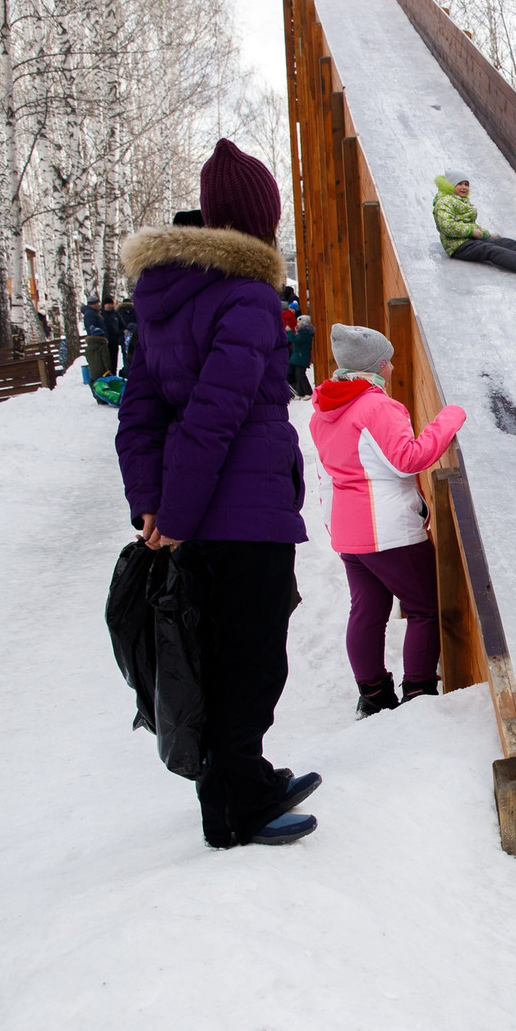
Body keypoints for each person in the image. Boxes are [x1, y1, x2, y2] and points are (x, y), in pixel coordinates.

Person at [115, 137, 320, 849]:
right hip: (243, 514)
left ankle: (247, 778)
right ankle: (236, 809)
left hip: (202, 516)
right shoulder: (250, 299)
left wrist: (153, 506)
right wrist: (172, 512)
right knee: (253, 658)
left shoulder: (167, 296)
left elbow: (139, 412)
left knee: (224, 653)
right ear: (258, 222)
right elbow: (215, 417)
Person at [308, 324, 467, 718]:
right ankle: (418, 691)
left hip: (348, 532)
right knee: (425, 607)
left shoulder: (324, 411)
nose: (394, 366)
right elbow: (407, 459)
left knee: (367, 610)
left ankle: (374, 694)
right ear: (378, 365)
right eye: (390, 360)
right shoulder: (377, 407)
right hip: (388, 531)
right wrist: (447, 420)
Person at [433, 172, 516, 274]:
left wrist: (486, 234)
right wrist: (471, 232)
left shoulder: (461, 200)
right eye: (459, 184)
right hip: (456, 245)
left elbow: (471, 225)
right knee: (489, 249)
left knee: (502, 242)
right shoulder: (444, 202)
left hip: (469, 239)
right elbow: (446, 225)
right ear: (450, 185)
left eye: (466, 184)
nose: (464, 187)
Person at [81, 298, 112, 379]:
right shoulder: (90, 314)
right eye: (97, 303)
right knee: (100, 360)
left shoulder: (94, 313)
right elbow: (91, 327)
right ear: (92, 304)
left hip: (98, 339)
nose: (99, 305)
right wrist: (98, 336)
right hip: (97, 340)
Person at [287, 314, 315, 398]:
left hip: (301, 356)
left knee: (301, 375)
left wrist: (289, 332)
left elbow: (296, 341)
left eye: (299, 322)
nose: (297, 323)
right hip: (299, 356)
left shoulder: (304, 333)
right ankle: (301, 393)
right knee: (298, 375)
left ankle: (308, 392)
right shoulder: (301, 332)